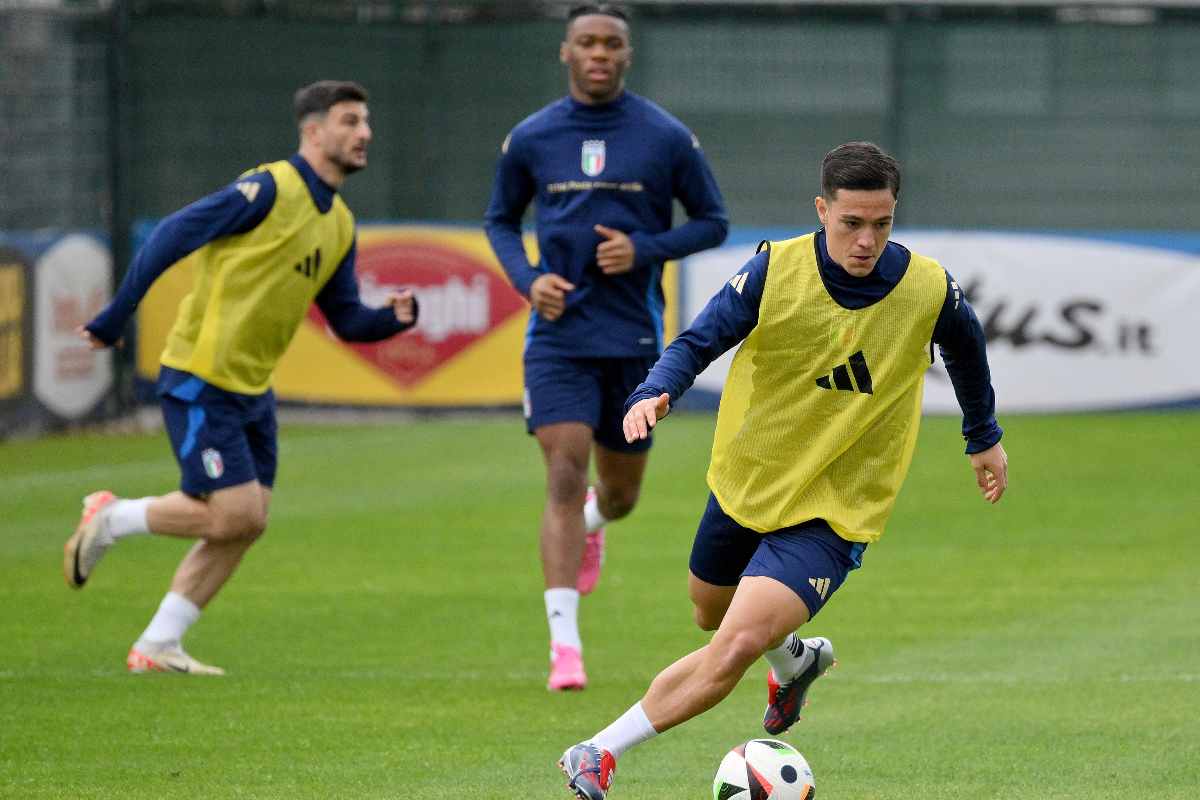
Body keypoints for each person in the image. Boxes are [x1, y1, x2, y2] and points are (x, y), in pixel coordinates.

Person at [557, 141, 1009, 799]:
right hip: (750, 479)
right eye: (851, 223)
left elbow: (967, 345)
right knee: (709, 614)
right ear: (822, 210)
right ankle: (797, 661)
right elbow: (699, 339)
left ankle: (598, 750)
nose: (866, 240)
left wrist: (983, 437)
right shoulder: (776, 270)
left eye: (881, 223)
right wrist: (657, 390)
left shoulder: (927, 287)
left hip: (838, 503)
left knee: (735, 644)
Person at [64, 80, 419, 675]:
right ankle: (112, 516)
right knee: (238, 515)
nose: (365, 133)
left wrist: (392, 320)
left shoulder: (339, 223)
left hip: (253, 390)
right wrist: (117, 314)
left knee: (245, 524)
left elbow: (345, 319)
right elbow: (173, 233)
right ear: (312, 131)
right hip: (201, 375)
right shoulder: (268, 188)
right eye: (350, 121)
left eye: (366, 122)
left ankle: (157, 645)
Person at [484, 3, 728, 691]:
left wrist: (644, 248)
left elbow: (713, 222)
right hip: (557, 339)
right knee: (564, 475)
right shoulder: (532, 136)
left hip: (633, 339)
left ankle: (598, 522)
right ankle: (565, 648)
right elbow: (500, 220)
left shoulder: (665, 136)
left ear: (627, 54)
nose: (599, 53)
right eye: (586, 42)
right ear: (565, 51)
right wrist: (529, 280)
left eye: (611, 43)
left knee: (620, 495)